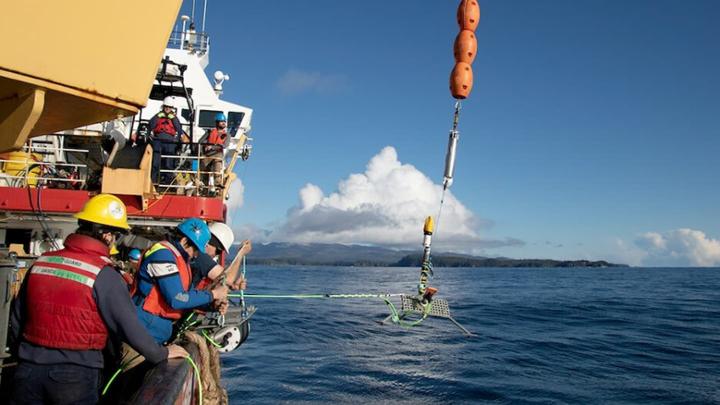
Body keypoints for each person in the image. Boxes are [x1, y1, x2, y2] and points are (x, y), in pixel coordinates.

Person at [9, 194, 188, 405]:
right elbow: (128, 326)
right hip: (74, 377)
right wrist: (161, 354)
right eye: (115, 235)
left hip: (27, 371)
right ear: (106, 235)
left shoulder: (42, 262)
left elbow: (17, 319)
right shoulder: (103, 274)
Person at [131, 218, 228, 344]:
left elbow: (188, 294)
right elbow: (177, 299)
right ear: (184, 240)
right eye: (196, 250)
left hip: (155, 333)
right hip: (143, 332)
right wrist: (213, 294)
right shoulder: (162, 255)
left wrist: (212, 305)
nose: (196, 255)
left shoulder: (179, 259)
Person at [192, 222, 252, 291]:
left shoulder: (196, 256)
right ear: (208, 244)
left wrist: (233, 286)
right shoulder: (201, 256)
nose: (217, 255)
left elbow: (223, 278)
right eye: (218, 251)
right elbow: (227, 279)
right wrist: (241, 254)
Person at [149, 96, 185, 186]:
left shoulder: (175, 118)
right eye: (166, 107)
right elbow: (151, 125)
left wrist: (173, 118)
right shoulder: (157, 116)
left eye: (169, 107)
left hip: (170, 142)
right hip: (158, 141)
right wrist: (158, 116)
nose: (167, 109)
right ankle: (153, 181)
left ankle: (167, 182)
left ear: (172, 108)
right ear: (163, 107)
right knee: (155, 163)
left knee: (169, 163)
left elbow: (179, 129)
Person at [202, 113, 229, 194]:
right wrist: (205, 145)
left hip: (217, 154)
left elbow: (225, 145)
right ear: (217, 122)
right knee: (202, 168)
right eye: (221, 121)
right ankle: (202, 186)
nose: (224, 123)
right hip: (208, 154)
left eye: (224, 121)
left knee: (217, 167)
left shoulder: (227, 135)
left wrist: (212, 147)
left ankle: (218, 185)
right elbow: (201, 141)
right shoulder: (210, 132)